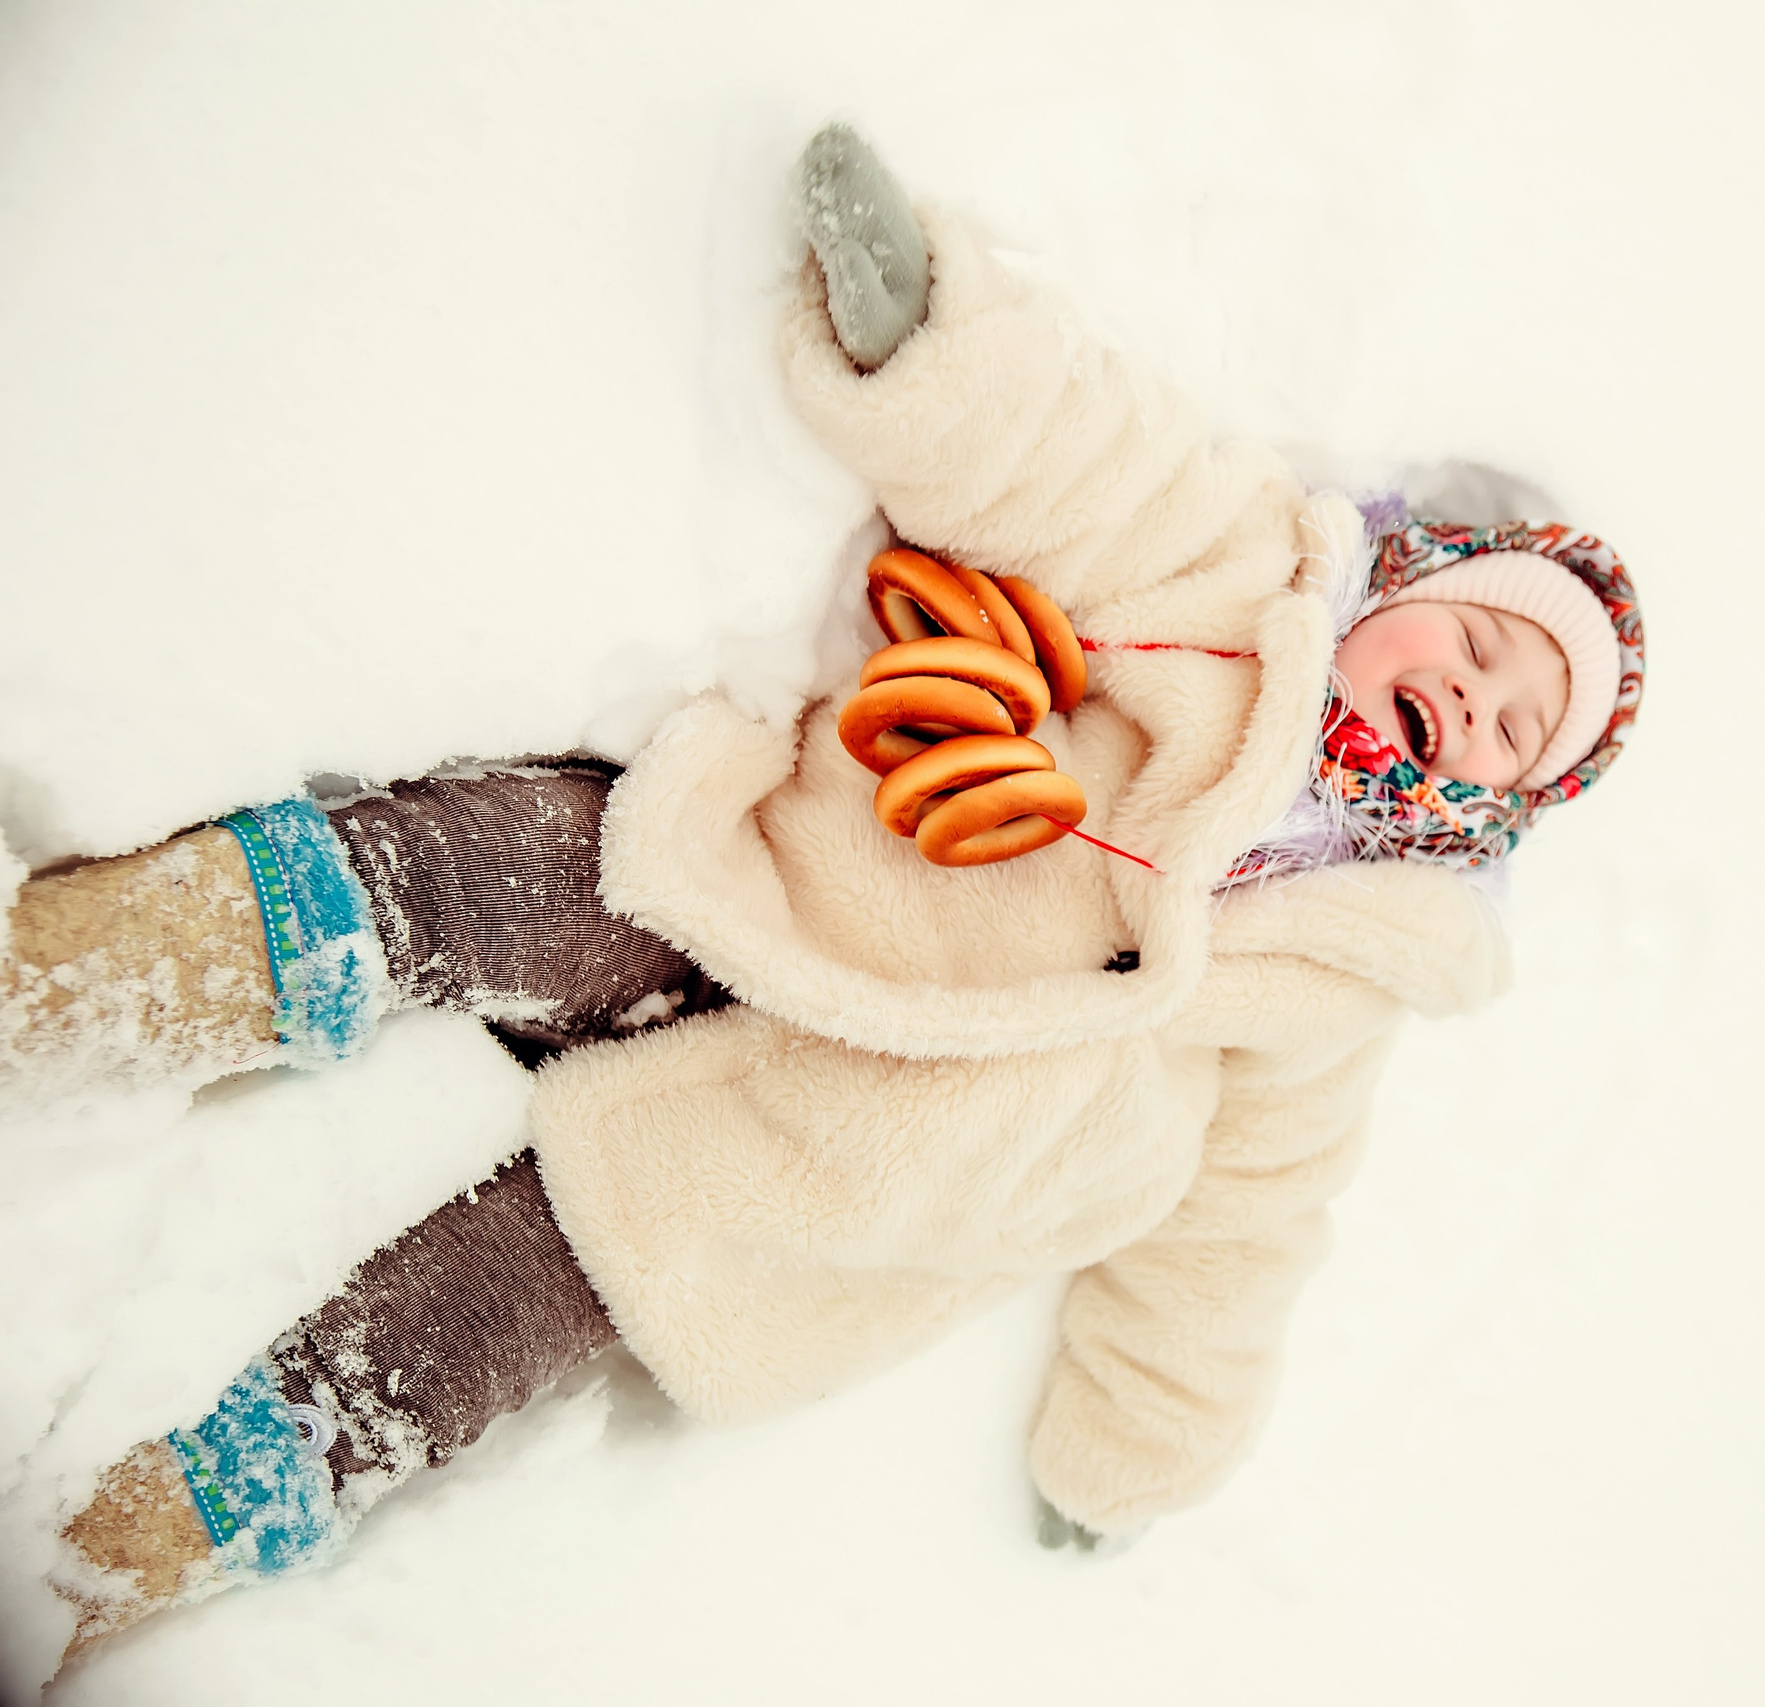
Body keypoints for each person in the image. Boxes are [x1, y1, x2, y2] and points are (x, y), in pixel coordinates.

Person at [6, 123, 1646, 1674]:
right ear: (1415, 582)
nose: (1477, 698)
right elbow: (1082, 461)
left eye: (1517, 733)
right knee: (481, 872)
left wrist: (1139, 1446)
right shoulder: (1243, 576)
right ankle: (83, 976)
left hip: (853, 1166)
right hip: (791, 878)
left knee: (470, 1331)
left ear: (1492, 814)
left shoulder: (1363, 961)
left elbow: (1251, 1228)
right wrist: (924, 339)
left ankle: (109, 1554)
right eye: (1484, 641)